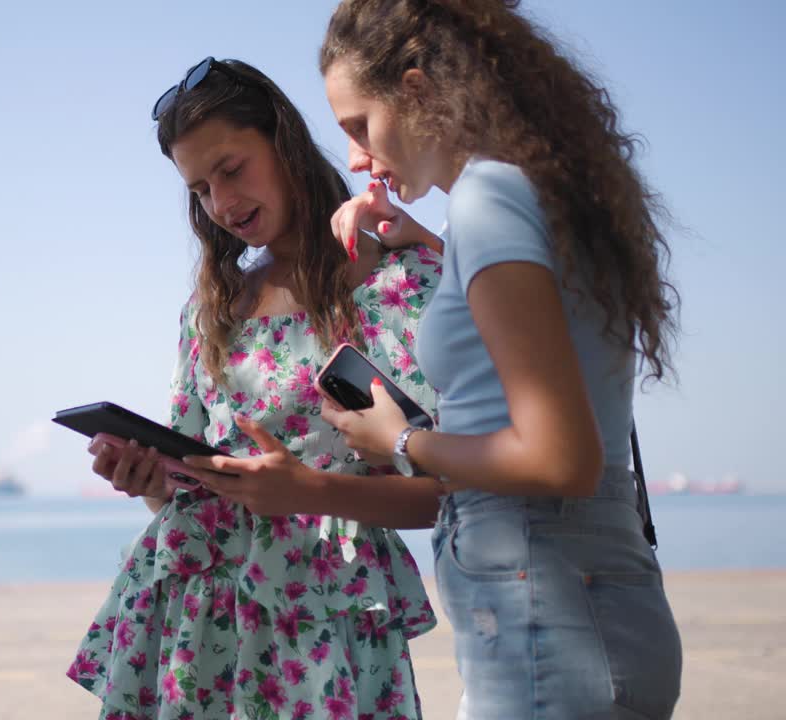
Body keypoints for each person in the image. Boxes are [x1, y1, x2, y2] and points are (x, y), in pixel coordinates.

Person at [312, 1, 684, 717]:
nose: (356, 158)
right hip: (579, 601)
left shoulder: (488, 199)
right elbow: (543, 331)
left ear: (418, 90)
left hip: (545, 613)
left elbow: (560, 459)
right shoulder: (525, 191)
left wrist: (397, 439)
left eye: (359, 126)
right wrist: (430, 243)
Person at [66, 57, 444, 719]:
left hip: (322, 613)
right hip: (193, 618)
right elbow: (186, 486)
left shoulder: (390, 281)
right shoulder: (211, 305)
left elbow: (445, 494)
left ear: (284, 142)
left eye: (232, 169)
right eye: (200, 189)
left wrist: (305, 490)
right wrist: (149, 480)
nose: (222, 203)